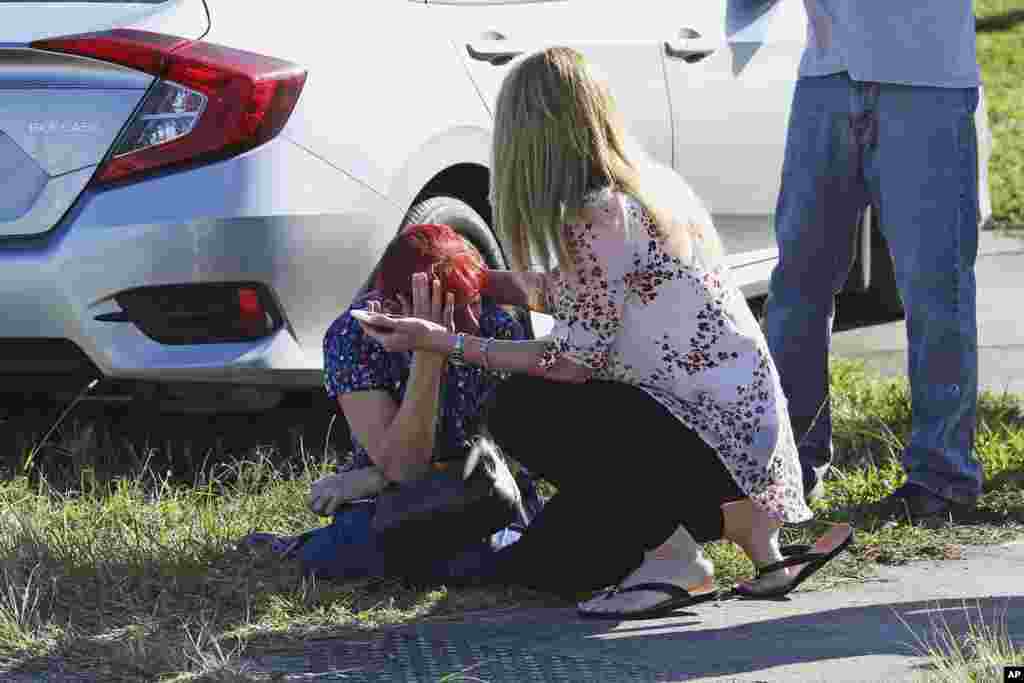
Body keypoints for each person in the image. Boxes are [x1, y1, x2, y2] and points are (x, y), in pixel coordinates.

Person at [352, 47, 853, 620]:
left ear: (532, 138)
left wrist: (444, 343)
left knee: (525, 405)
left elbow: (571, 363)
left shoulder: (596, 218)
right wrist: (485, 282)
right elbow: (587, 296)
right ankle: (759, 545)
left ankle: (676, 564)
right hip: (742, 441)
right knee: (557, 563)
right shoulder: (647, 187)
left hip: (708, 445)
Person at [759, 0, 983, 520]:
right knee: (797, 285)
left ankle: (942, 479)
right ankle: (790, 470)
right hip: (826, 74)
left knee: (935, 289)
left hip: (926, 78)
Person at [243, 222, 542, 582]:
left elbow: (503, 461)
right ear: (395, 305)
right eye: (459, 308)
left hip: (487, 494)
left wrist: (368, 480)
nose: (476, 320)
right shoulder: (352, 337)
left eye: (476, 301)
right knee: (359, 547)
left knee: (494, 548)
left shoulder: (497, 325)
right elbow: (405, 469)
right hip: (406, 500)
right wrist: (429, 354)